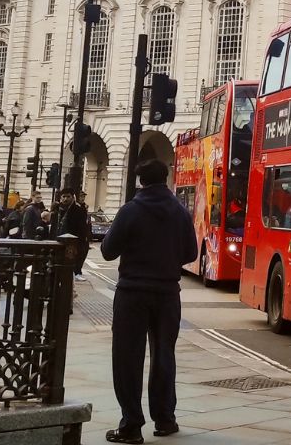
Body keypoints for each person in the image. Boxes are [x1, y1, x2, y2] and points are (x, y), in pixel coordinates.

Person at [101, 160, 197, 443]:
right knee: (164, 354)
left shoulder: (130, 210)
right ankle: (165, 419)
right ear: (165, 179)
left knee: (127, 358)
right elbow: (191, 253)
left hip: (132, 293)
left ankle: (131, 425)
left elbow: (107, 251)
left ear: (140, 181)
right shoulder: (180, 212)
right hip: (167, 294)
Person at [57, 189, 91, 281]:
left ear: (73, 197)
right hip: (60, 239)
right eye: (63, 197)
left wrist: (85, 238)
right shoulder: (57, 208)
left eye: (68, 196)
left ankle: (76, 272)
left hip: (75, 239)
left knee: (74, 258)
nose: (65, 199)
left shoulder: (79, 209)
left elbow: (83, 226)